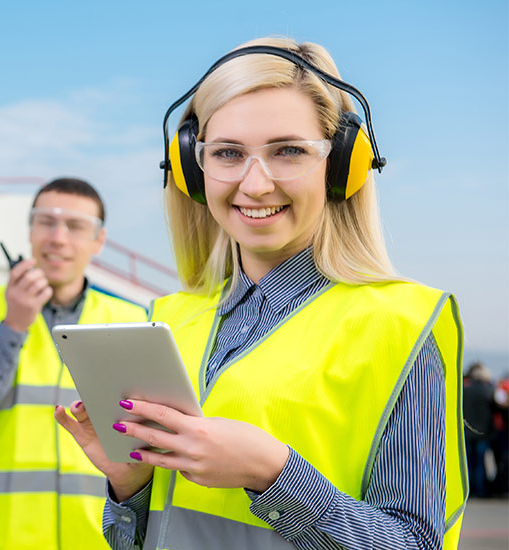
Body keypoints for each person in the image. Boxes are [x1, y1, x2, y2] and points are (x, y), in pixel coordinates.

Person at [55, 37, 465, 550]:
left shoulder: (400, 325)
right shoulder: (169, 317)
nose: (255, 184)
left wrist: (274, 475)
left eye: (288, 151)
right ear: (190, 169)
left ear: (340, 166)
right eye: (227, 153)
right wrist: (130, 487)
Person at [0, 177, 148, 550]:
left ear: (98, 241)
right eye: (46, 221)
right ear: (30, 230)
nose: (58, 238)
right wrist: (12, 326)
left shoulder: (129, 320)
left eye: (76, 226)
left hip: (97, 540)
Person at [463, 361, 495, 498]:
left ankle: (469, 490)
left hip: (467, 432)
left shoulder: (465, 391)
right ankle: (480, 490)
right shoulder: (488, 391)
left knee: (468, 463)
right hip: (483, 433)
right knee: (480, 463)